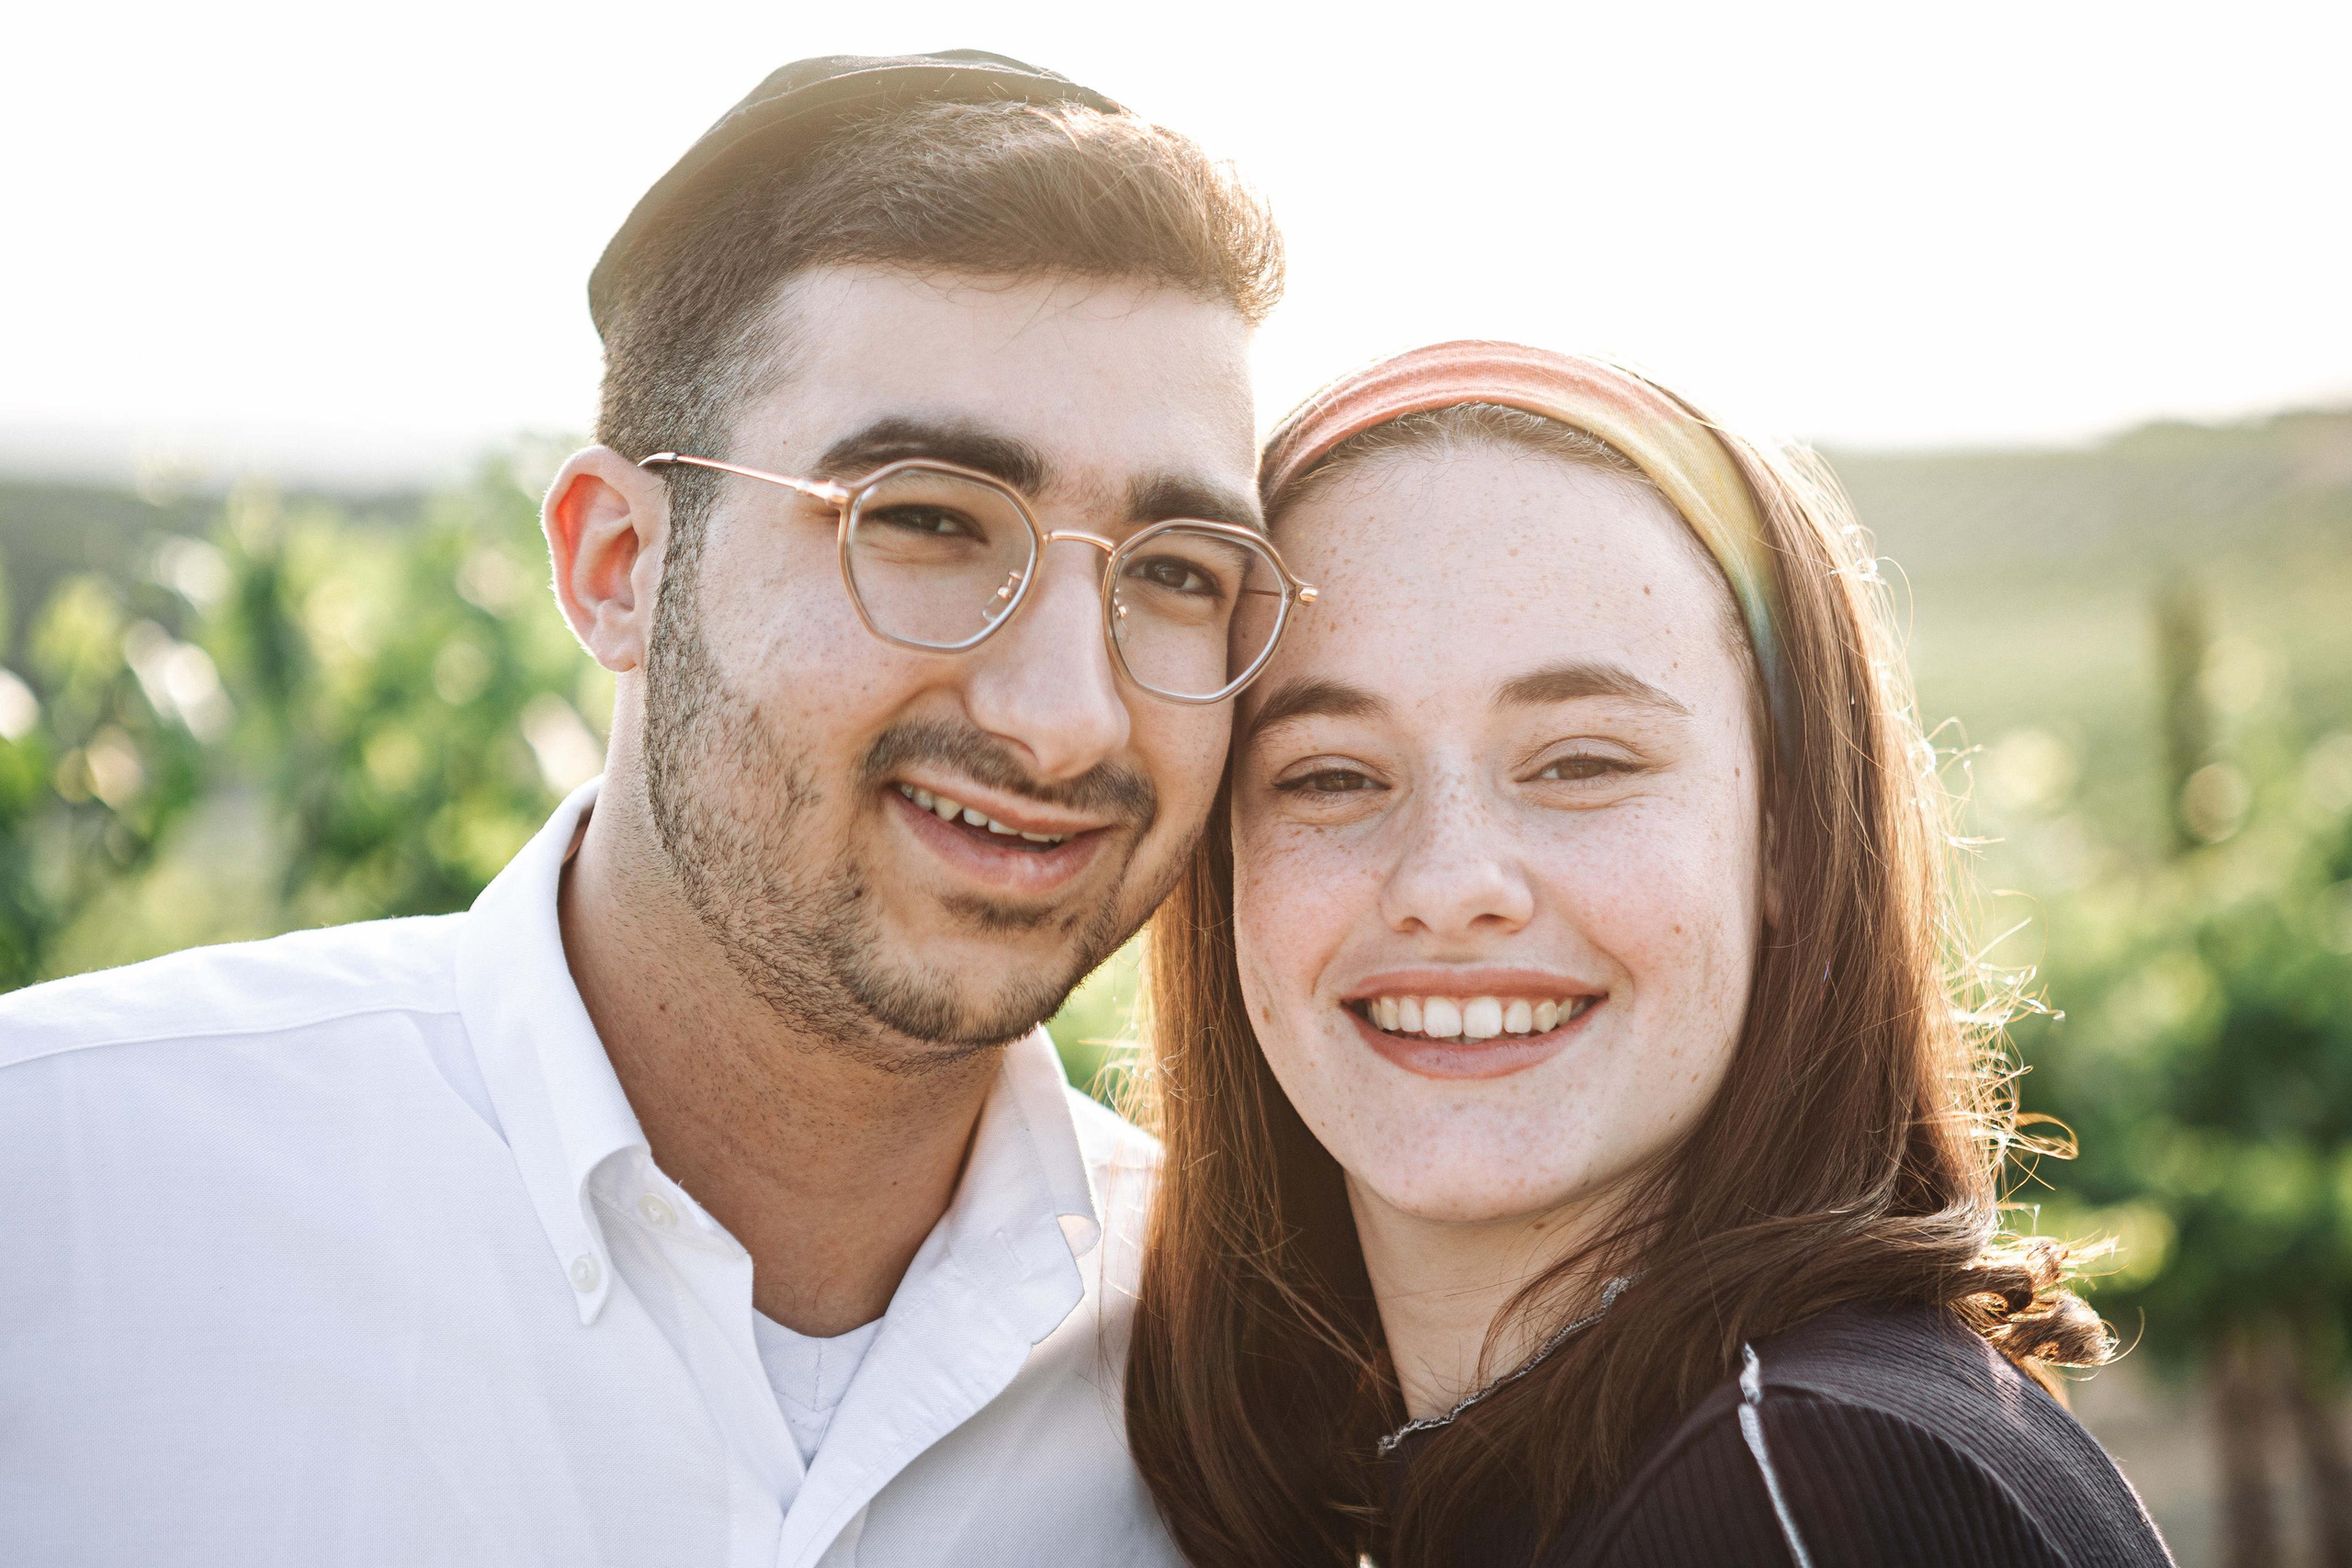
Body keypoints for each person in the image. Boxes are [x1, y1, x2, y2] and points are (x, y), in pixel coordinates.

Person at [0, 51, 1310, 1567]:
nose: (1068, 714)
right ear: (616, 563)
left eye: (1174, 572)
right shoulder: (65, 1198)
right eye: (929, 523)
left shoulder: (1250, 1374)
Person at [1124, 342, 2174, 1566]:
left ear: (1787, 831)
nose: (1451, 884)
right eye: (1331, 775)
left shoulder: (1798, 1491)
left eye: (1581, 762)